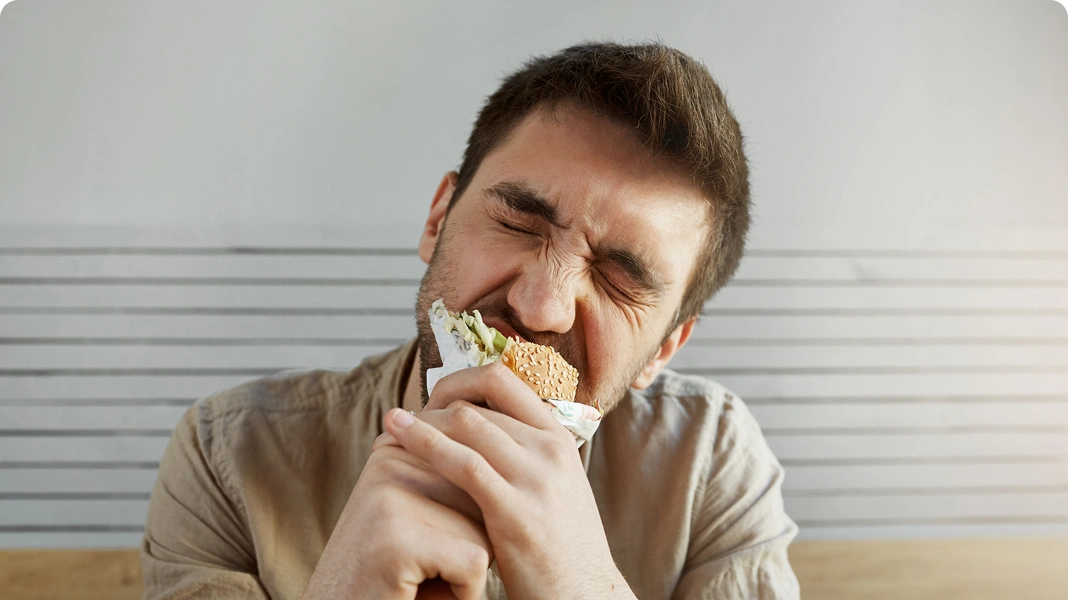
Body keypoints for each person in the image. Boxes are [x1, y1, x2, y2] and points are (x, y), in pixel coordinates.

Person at [141, 42, 800, 599]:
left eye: (619, 281)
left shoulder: (710, 463)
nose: (540, 307)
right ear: (438, 220)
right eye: (517, 224)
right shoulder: (227, 457)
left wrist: (585, 583)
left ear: (664, 348)